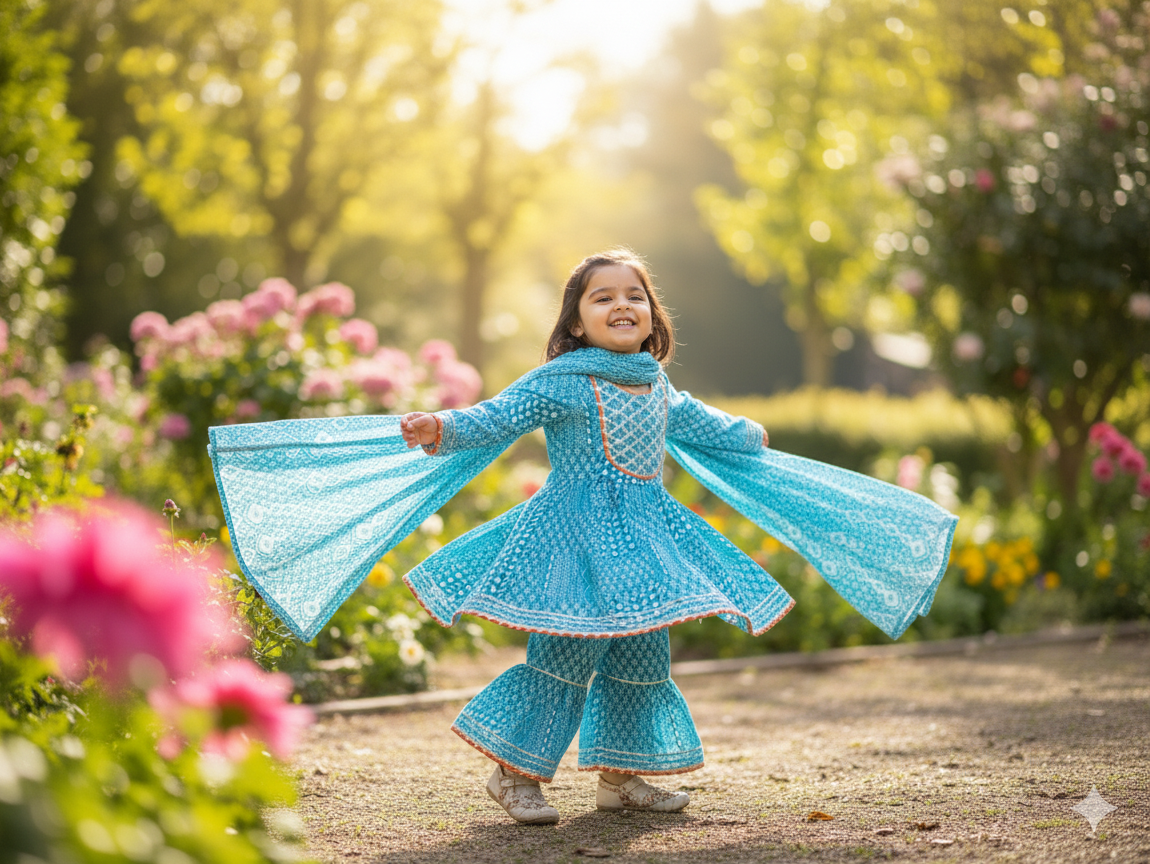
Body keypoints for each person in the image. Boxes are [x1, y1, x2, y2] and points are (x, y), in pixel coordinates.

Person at [208, 248, 955, 827]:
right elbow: (496, 417)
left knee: (643, 652)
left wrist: (746, 434)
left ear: (653, 317)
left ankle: (622, 779)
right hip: (572, 539)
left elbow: (700, 421)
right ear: (576, 322)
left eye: (635, 295)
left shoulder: (654, 382)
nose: (622, 304)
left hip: (644, 539)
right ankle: (516, 774)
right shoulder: (563, 379)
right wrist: (442, 426)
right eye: (603, 297)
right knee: (564, 655)